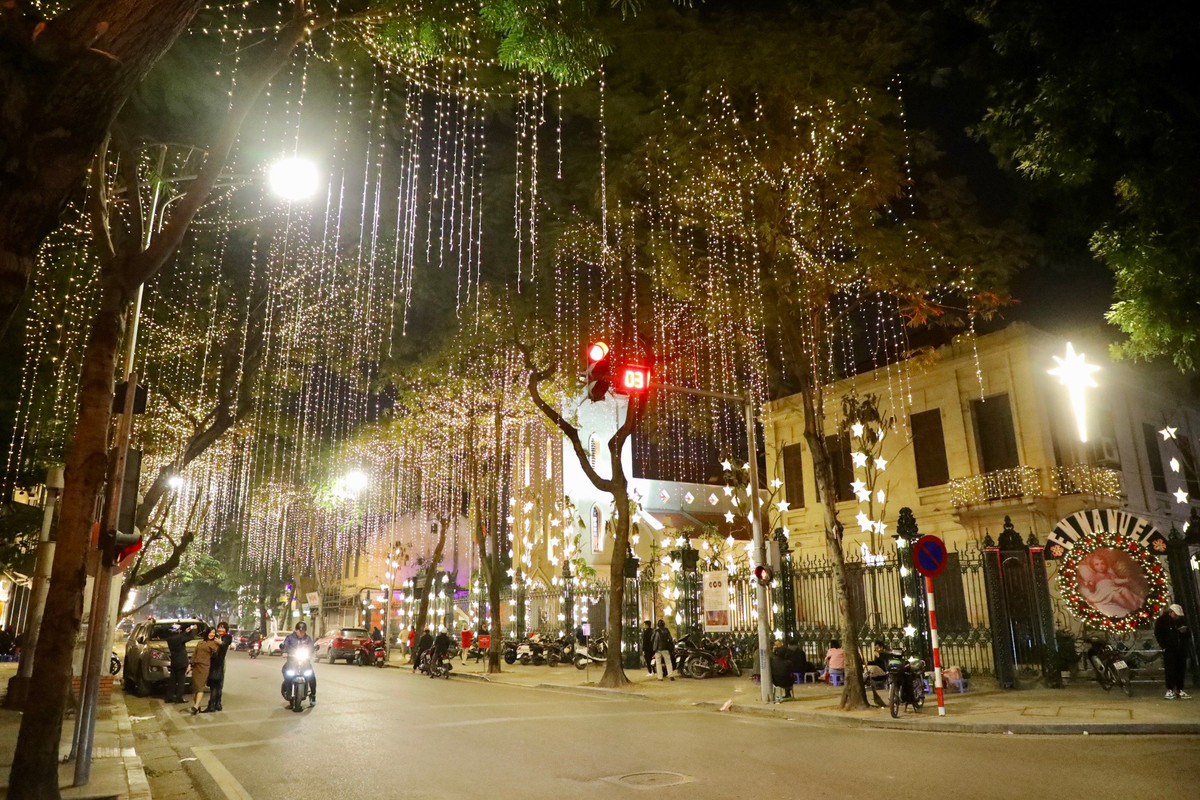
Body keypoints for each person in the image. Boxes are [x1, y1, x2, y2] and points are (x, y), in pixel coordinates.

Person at [1155, 603, 1192, 700]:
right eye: (1175, 615)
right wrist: (1164, 646)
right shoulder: (1162, 621)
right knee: (1170, 669)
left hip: (1180, 649)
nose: (1176, 617)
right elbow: (1158, 634)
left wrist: (1184, 633)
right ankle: (1170, 689)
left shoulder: (1181, 621)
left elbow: (1188, 633)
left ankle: (1180, 689)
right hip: (1170, 649)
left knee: (1180, 669)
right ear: (1170, 612)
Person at [280, 621, 317, 706]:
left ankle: (313, 695)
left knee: (311, 675)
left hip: (304, 661)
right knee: (286, 671)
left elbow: (311, 647)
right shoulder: (290, 638)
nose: (302, 632)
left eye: (303, 631)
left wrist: (313, 651)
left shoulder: (308, 639)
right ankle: (288, 690)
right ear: (296, 630)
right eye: (300, 631)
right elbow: (285, 645)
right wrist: (284, 651)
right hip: (292, 661)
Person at [190, 626, 221, 715]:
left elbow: (217, 653)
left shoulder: (214, 643)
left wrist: (219, 642)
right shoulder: (200, 642)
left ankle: (196, 706)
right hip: (196, 666)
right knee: (196, 688)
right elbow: (194, 654)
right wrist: (190, 664)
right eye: (210, 632)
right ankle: (197, 706)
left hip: (204, 667)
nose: (211, 634)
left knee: (200, 686)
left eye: (213, 633)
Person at [203, 622, 233, 712]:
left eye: (223, 628)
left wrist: (220, 642)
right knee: (217, 685)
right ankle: (217, 704)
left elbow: (224, 644)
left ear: (226, 629)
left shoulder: (226, 637)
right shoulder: (216, 637)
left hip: (218, 664)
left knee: (215, 686)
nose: (221, 629)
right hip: (214, 663)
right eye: (219, 628)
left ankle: (212, 705)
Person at [164, 623, 196, 703]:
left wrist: (185, 632)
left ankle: (169, 697)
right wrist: (194, 629)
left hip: (174, 661)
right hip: (181, 662)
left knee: (173, 680)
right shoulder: (179, 638)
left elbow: (180, 637)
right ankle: (179, 697)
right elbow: (191, 637)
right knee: (181, 681)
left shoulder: (169, 638)